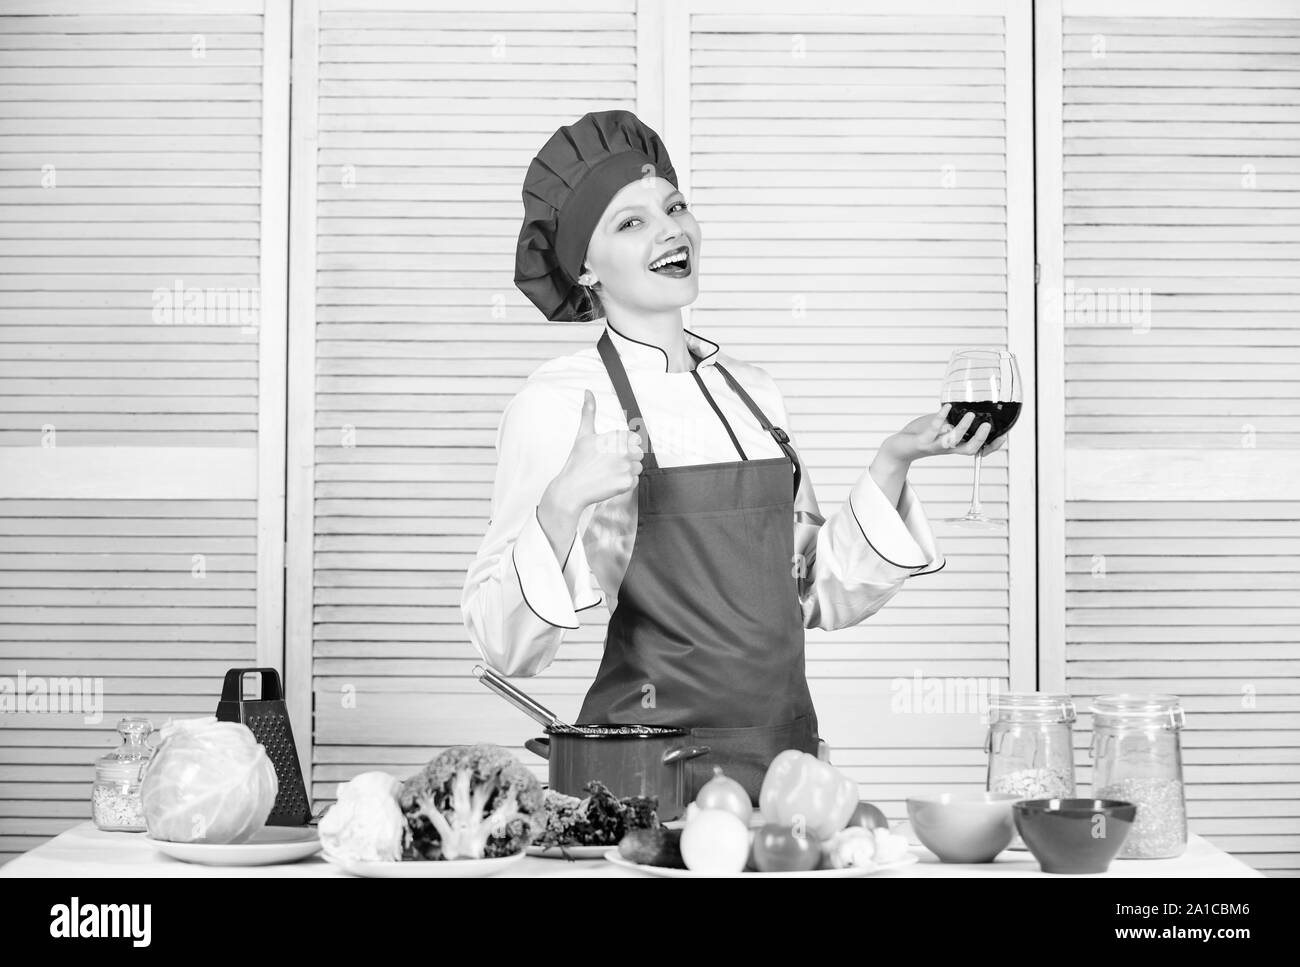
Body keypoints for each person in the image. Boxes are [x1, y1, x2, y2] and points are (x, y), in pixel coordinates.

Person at [462, 110, 1002, 801]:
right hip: (640, 788)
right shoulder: (561, 402)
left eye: (675, 206)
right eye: (630, 223)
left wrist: (893, 462)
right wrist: (561, 502)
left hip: (786, 772)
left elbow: (808, 593)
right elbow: (502, 645)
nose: (669, 231)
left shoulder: (754, 392)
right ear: (584, 268)